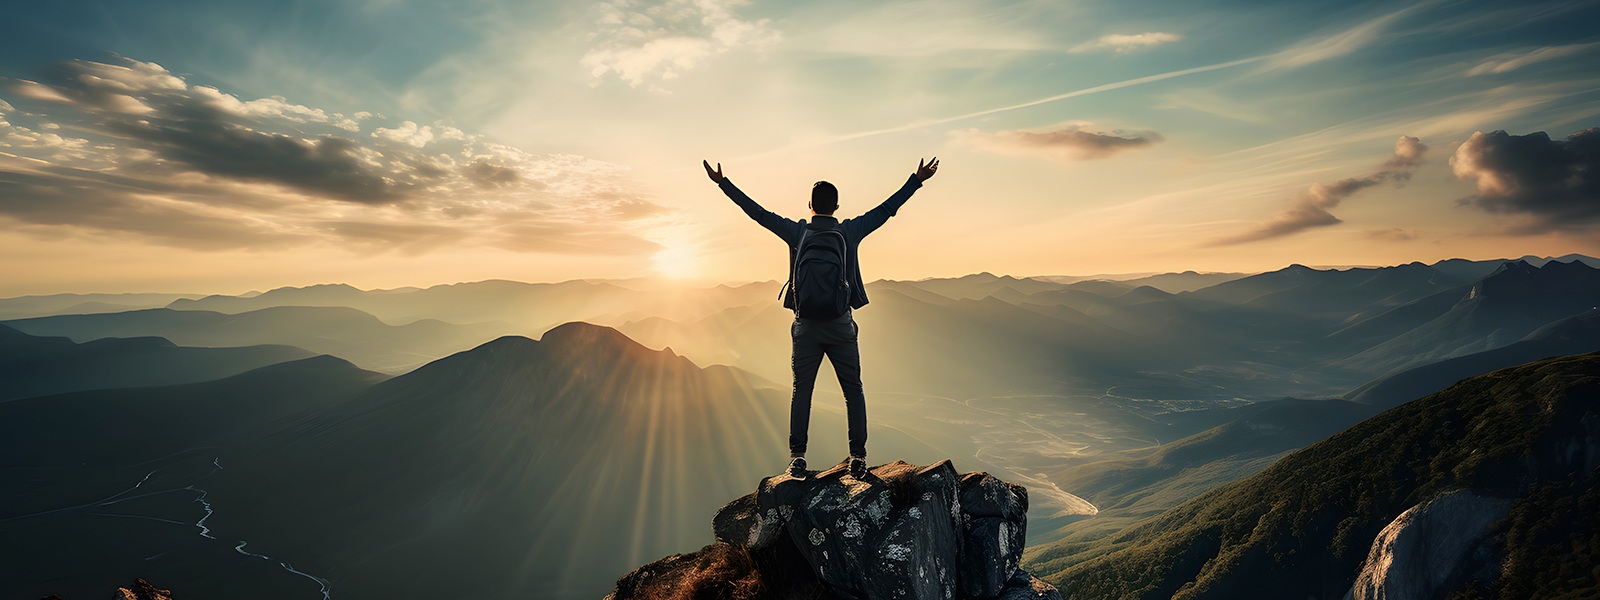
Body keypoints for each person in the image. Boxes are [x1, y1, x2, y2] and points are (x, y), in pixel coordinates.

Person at [703, 157, 939, 479]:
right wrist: (916, 179)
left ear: (810, 206)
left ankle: (797, 457)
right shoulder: (849, 231)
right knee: (853, 390)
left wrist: (723, 183)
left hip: (806, 328)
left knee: (803, 391)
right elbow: (886, 210)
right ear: (837, 206)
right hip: (841, 325)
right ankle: (858, 457)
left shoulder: (797, 233)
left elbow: (758, 213)